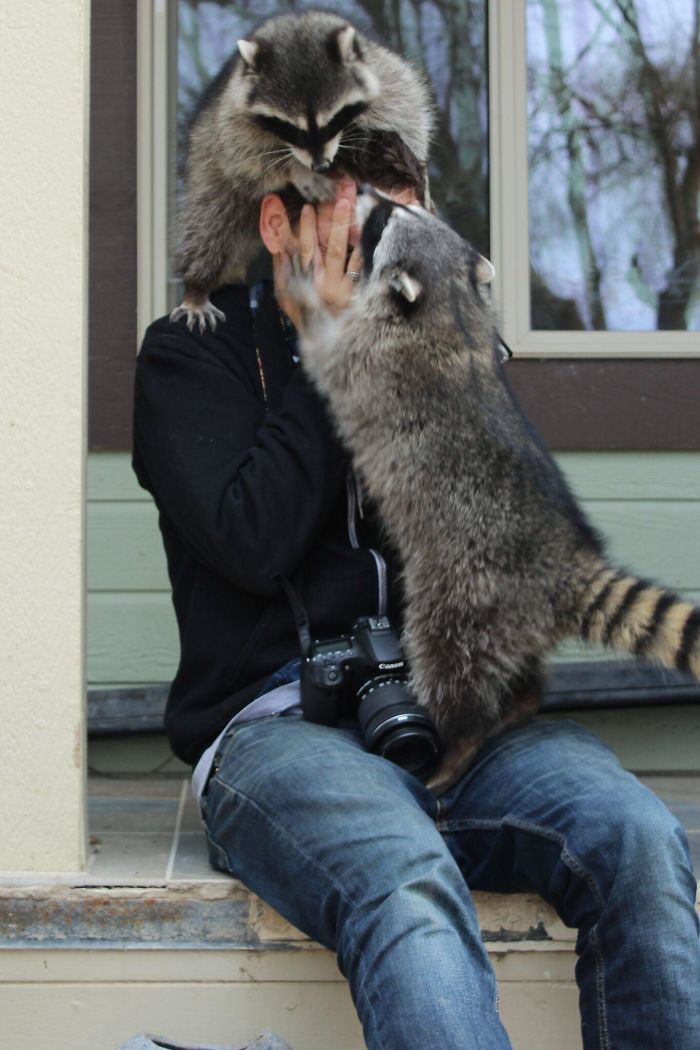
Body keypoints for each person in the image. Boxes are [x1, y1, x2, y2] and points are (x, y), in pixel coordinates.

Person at [132, 173, 700, 1050]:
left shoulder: (426, 331)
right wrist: (330, 347)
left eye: (406, 209)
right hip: (278, 726)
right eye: (357, 214)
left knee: (640, 838)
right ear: (279, 224)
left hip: (454, 718)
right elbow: (249, 541)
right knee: (406, 878)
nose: (381, 237)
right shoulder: (188, 352)